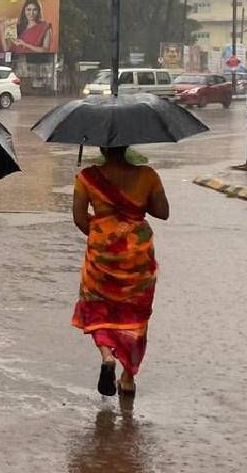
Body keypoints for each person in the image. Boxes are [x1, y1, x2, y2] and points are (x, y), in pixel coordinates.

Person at [71, 146, 170, 397]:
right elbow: (163, 212)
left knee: (98, 308)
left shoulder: (86, 178)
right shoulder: (147, 176)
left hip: (101, 255)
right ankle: (127, 377)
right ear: (127, 146)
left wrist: (102, 239)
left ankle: (107, 357)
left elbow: (79, 217)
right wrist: (136, 207)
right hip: (137, 256)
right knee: (136, 315)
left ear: (102, 148)